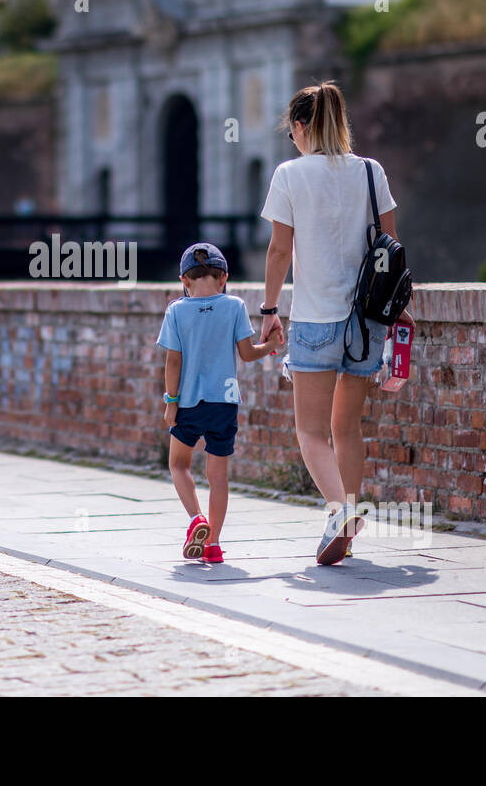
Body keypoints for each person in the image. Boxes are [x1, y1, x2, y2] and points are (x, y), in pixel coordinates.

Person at [257, 81, 412, 565]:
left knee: (309, 432)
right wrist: (399, 307)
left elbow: (281, 249)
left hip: (315, 318)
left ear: (301, 127)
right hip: (366, 322)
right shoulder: (371, 171)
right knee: (346, 429)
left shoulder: (289, 175)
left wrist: (267, 311)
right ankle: (345, 521)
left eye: (292, 133)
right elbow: (391, 246)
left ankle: (340, 510)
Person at [157, 242, 283, 562]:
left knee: (178, 464)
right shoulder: (235, 306)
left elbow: (173, 361)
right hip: (224, 403)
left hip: (188, 403)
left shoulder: (176, 310)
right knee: (218, 476)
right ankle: (213, 544)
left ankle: (196, 519)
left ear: (184, 280)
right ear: (224, 277)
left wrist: (171, 401)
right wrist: (269, 345)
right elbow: (247, 353)